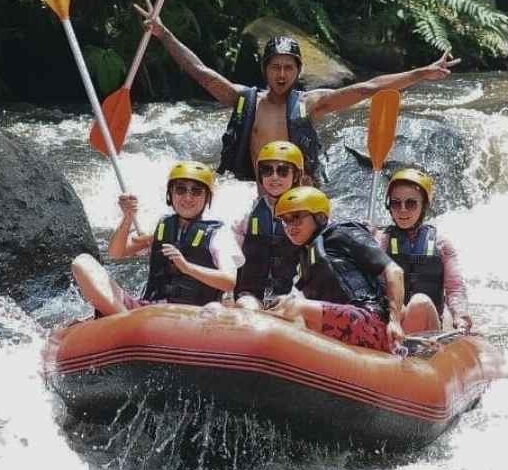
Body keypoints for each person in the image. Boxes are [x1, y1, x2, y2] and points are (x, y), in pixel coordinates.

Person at [134, 0, 460, 182]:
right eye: (275, 67)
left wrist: (421, 72)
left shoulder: (312, 104)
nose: (281, 74)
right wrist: (164, 35)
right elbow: (201, 73)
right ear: (265, 70)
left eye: (288, 68)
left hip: (300, 197)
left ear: (298, 71)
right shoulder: (244, 100)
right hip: (257, 191)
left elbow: (368, 88)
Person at [71, 162, 243, 316]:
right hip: (150, 311)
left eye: (196, 191)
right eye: (180, 190)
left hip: (193, 316)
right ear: (170, 194)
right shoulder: (163, 228)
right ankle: (126, 322)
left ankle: (129, 325)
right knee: (82, 263)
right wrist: (127, 218)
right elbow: (117, 252)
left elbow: (229, 282)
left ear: (207, 197)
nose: (188, 197)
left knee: (215, 308)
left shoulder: (218, 235)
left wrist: (187, 267)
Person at [267, 186, 405, 354]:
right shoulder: (305, 257)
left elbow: (394, 271)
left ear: (319, 217)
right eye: (285, 221)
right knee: (284, 307)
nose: (290, 227)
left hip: (372, 320)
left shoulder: (343, 232)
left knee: (295, 307)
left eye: (296, 218)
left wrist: (395, 321)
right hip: (339, 324)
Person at [379, 167, 472, 334]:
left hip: (429, 326)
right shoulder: (381, 241)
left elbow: (455, 288)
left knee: (419, 303)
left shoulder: (442, 245)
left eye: (411, 203)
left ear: (424, 206)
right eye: (395, 203)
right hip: (394, 321)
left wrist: (460, 316)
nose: (402, 209)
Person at [232, 140, 304, 309]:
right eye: (267, 170)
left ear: (296, 176)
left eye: (283, 171)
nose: (274, 177)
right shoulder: (248, 211)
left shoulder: (308, 214)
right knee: (245, 307)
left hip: (292, 296)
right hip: (252, 296)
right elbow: (230, 254)